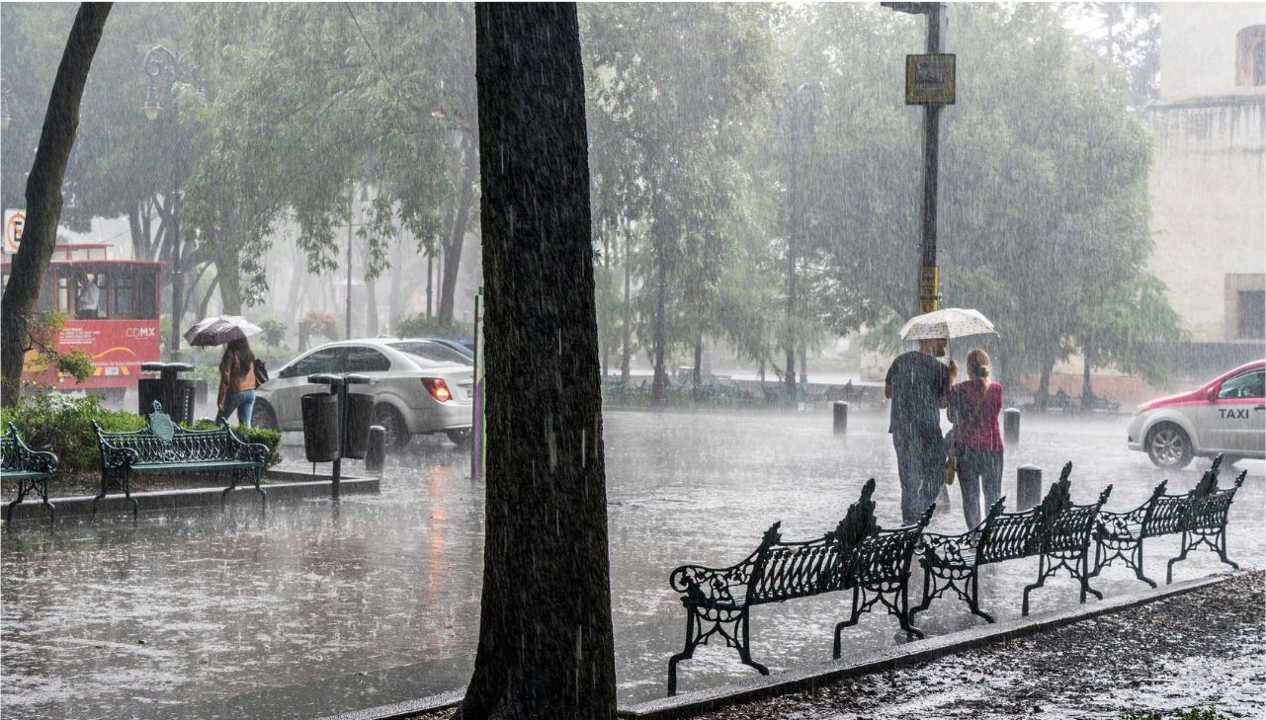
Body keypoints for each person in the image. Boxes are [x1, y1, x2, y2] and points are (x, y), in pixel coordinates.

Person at [885, 338, 956, 526]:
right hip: (928, 430)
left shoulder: (900, 361)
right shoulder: (940, 369)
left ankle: (909, 521)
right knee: (936, 474)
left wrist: (908, 388)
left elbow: (888, 392)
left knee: (908, 479)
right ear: (930, 341)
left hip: (902, 428)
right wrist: (951, 379)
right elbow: (943, 404)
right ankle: (918, 511)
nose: (944, 345)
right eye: (941, 341)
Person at [947, 349, 1004, 529]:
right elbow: (993, 413)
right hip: (993, 450)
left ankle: (975, 536)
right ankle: (990, 534)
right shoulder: (996, 389)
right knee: (992, 495)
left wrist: (952, 379)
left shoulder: (959, 390)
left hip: (968, 451)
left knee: (971, 498)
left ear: (968, 369)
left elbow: (951, 417)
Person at [216, 338, 257, 427]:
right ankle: (246, 441)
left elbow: (225, 379)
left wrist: (221, 399)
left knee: (219, 423)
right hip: (250, 392)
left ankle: (223, 441)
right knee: (245, 426)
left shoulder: (230, 353)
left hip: (236, 392)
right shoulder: (250, 353)